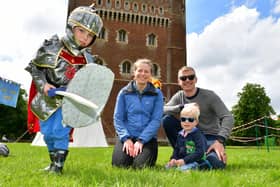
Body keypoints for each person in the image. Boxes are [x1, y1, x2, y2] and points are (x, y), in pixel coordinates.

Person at [25, 4, 103, 174]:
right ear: (71, 27)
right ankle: (53, 163)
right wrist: (44, 85)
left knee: (60, 132)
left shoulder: (88, 59)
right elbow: (35, 68)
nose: (85, 38)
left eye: (90, 35)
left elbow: (90, 84)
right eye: (81, 31)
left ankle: (58, 167)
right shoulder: (52, 46)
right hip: (48, 98)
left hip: (69, 102)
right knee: (47, 132)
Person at [162, 66, 234, 169]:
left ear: (196, 79)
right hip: (189, 137)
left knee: (216, 162)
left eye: (191, 77)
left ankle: (195, 162)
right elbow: (163, 110)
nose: (187, 80)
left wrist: (220, 141)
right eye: (183, 78)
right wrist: (180, 107)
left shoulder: (209, 96)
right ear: (179, 81)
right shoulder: (179, 96)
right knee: (167, 120)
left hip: (210, 137)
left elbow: (228, 117)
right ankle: (181, 155)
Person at [112, 59, 164, 169]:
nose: (143, 74)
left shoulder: (157, 94)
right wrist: (126, 139)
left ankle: (142, 156)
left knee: (140, 166)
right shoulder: (124, 92)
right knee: (119, 165)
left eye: (146, 71)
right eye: (140, 70)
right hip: (127, 137)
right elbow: (118, 118)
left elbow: (156, 120)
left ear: (150, 75)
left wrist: (141, 140)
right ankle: (128, 154)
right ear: (134, 73)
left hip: (147, 139)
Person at [165, 103, 212, 171]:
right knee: (168, 168)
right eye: (183, 119)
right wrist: (173, 158)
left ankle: (204, 166)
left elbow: (200, 152)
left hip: (197, 160)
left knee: (182, 170)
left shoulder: (197, 134)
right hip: (184, 159)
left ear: (196, 122)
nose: (186, 122)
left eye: (190, 120)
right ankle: (184, 166)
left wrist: (185, 160)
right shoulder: (180, 134)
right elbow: (177, 149)